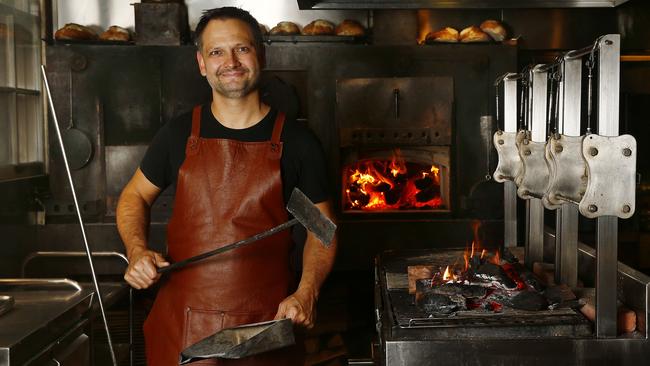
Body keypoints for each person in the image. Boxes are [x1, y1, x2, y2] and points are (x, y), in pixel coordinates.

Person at [116, 7, 337, 365]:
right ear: (202, 63)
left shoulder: (297, 143)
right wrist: (138, 250)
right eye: (217, 52)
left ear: (261, 55)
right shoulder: (178, 134)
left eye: (242, 48)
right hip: (183, 327)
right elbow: (135, 195)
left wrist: (307, 291)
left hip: (265, 329)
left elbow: (321, 230)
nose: (230, 61)